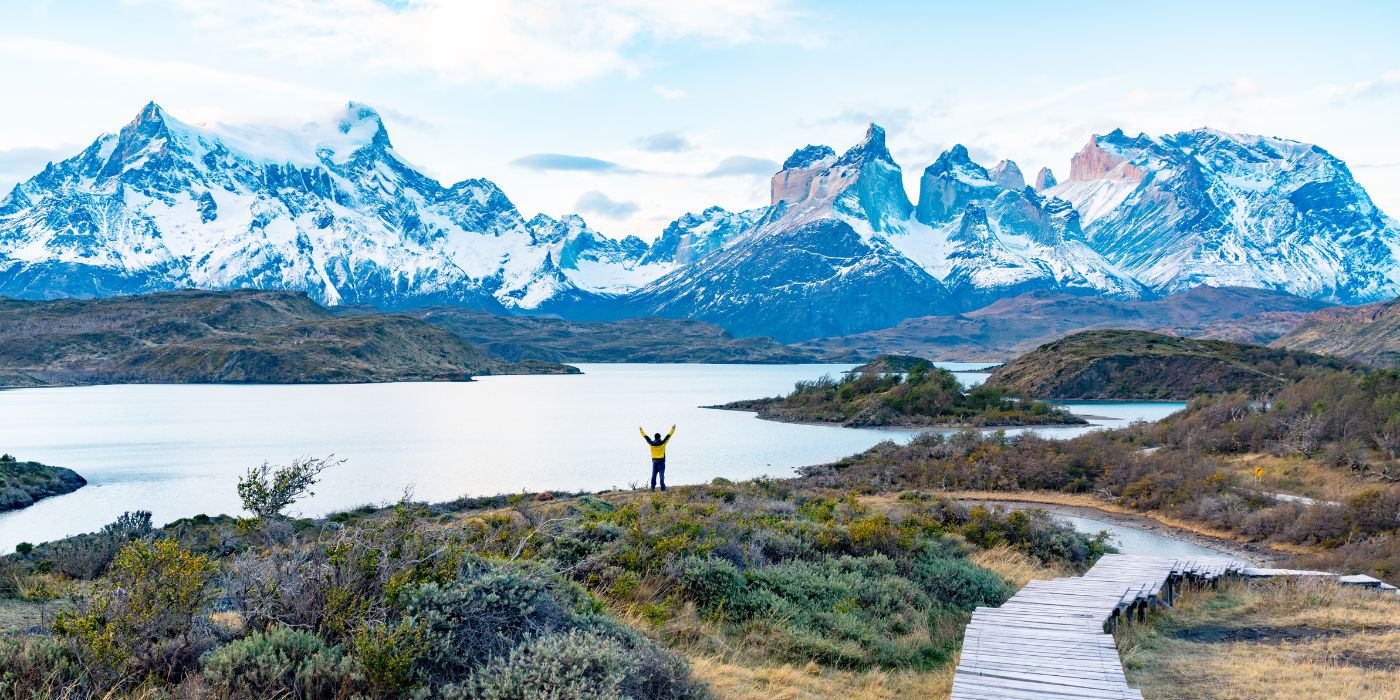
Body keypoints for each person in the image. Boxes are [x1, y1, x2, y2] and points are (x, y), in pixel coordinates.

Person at [639, 424, 675, 491]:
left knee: (653, 476)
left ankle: (652, 488)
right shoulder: (663, 443)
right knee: (661, 476)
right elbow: (668, 436)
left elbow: (646, 437)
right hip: (661, 462)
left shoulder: (651, 443)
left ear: (655, 437)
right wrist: (673, 428)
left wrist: (641, 430)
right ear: (660, 437)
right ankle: (663, 488)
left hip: (654, 462)